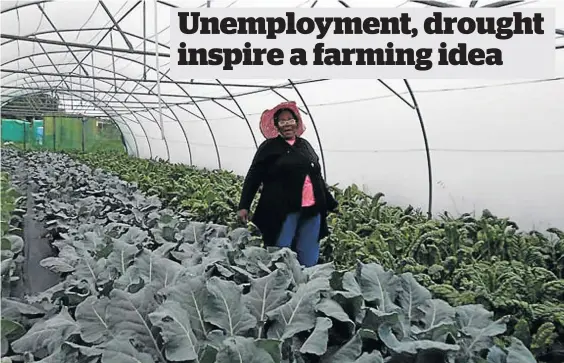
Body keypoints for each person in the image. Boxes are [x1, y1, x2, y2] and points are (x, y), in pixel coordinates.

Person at [237, 101, 338, 267]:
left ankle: (305, 286)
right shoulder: (269, 147)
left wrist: (332, 203)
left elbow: (316, 178)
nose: (287, 124)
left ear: (297, 122)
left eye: (290, 120)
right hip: (282, 210)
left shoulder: (305, 145)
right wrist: (244, 205)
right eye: (282, 121)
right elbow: (254, 176)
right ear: (276, 126)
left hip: (312, 210)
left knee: (309, 254)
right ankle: (280, 286)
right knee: (280, 252)